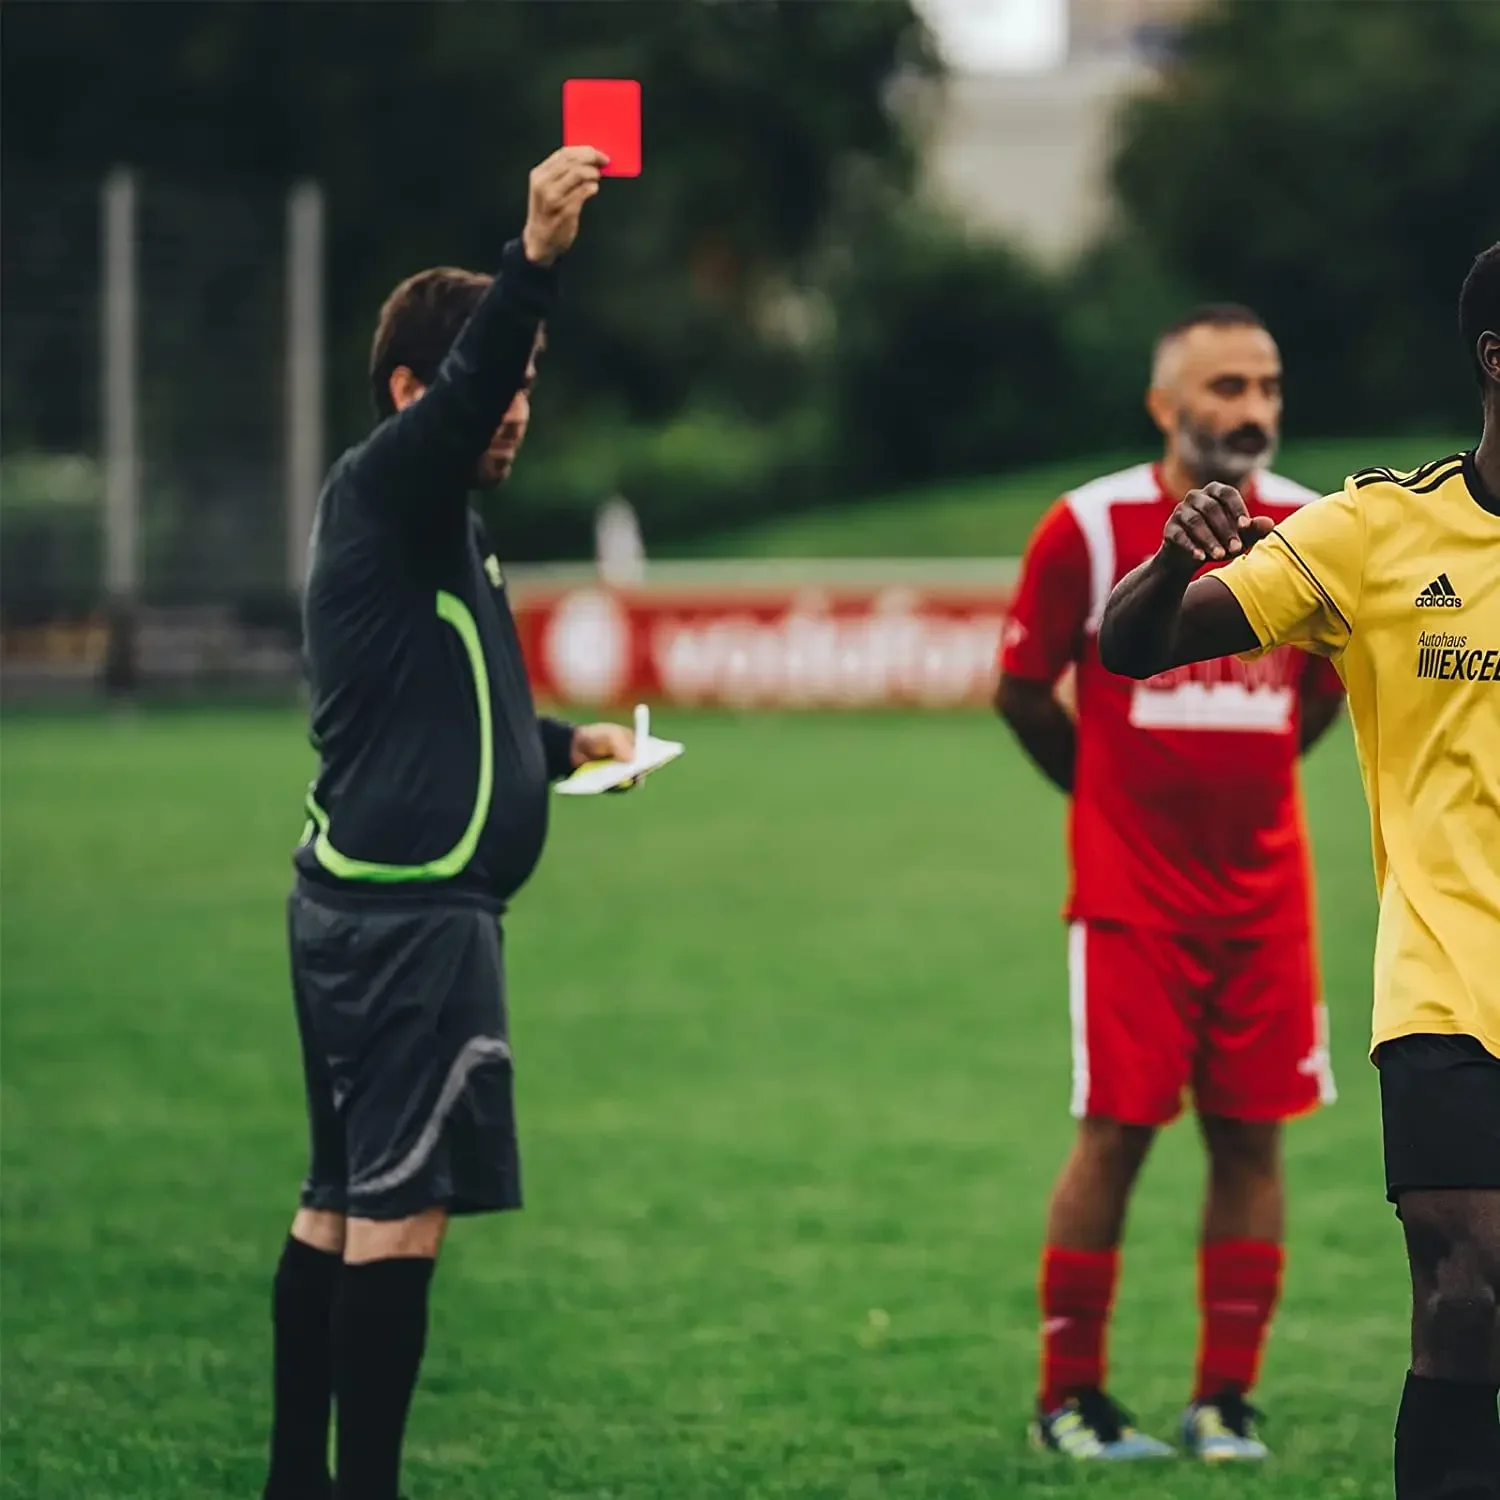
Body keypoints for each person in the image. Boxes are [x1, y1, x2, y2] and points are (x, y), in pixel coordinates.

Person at [261, 146, 635, 1500]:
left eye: (528, 385)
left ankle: (297, 1482)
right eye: (494, 382)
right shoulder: (393, 484)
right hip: (410, 923)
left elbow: (440, 707)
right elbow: (474, 380)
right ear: (413, 392)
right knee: (398, 1216)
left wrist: (564, 747)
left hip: (366, 905)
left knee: (336, 1200)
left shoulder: (430, 526)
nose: (515, 407)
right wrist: (533, 258)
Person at [1097, 244, 1500, 1499]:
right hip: (1448, 984)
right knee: (1467, 1284)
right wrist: (1176, 559)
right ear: (1496, 359)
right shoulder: (1379, 530)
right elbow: (1133, 645)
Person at [995, 305, 1346, 1462]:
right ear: (1164, 405)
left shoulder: (1312, 528)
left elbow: (1324, 690)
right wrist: (1101, 798)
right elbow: (1019, 685)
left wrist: (1255, 786)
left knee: (1253, 1141)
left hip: (1267, 899)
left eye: (1268, 386)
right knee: (1116, 1136)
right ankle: (1070, 1401)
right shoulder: (1088, 527)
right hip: (1132, 901)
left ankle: (1223, 1403)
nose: (1253, 409)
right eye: (1226, 386)